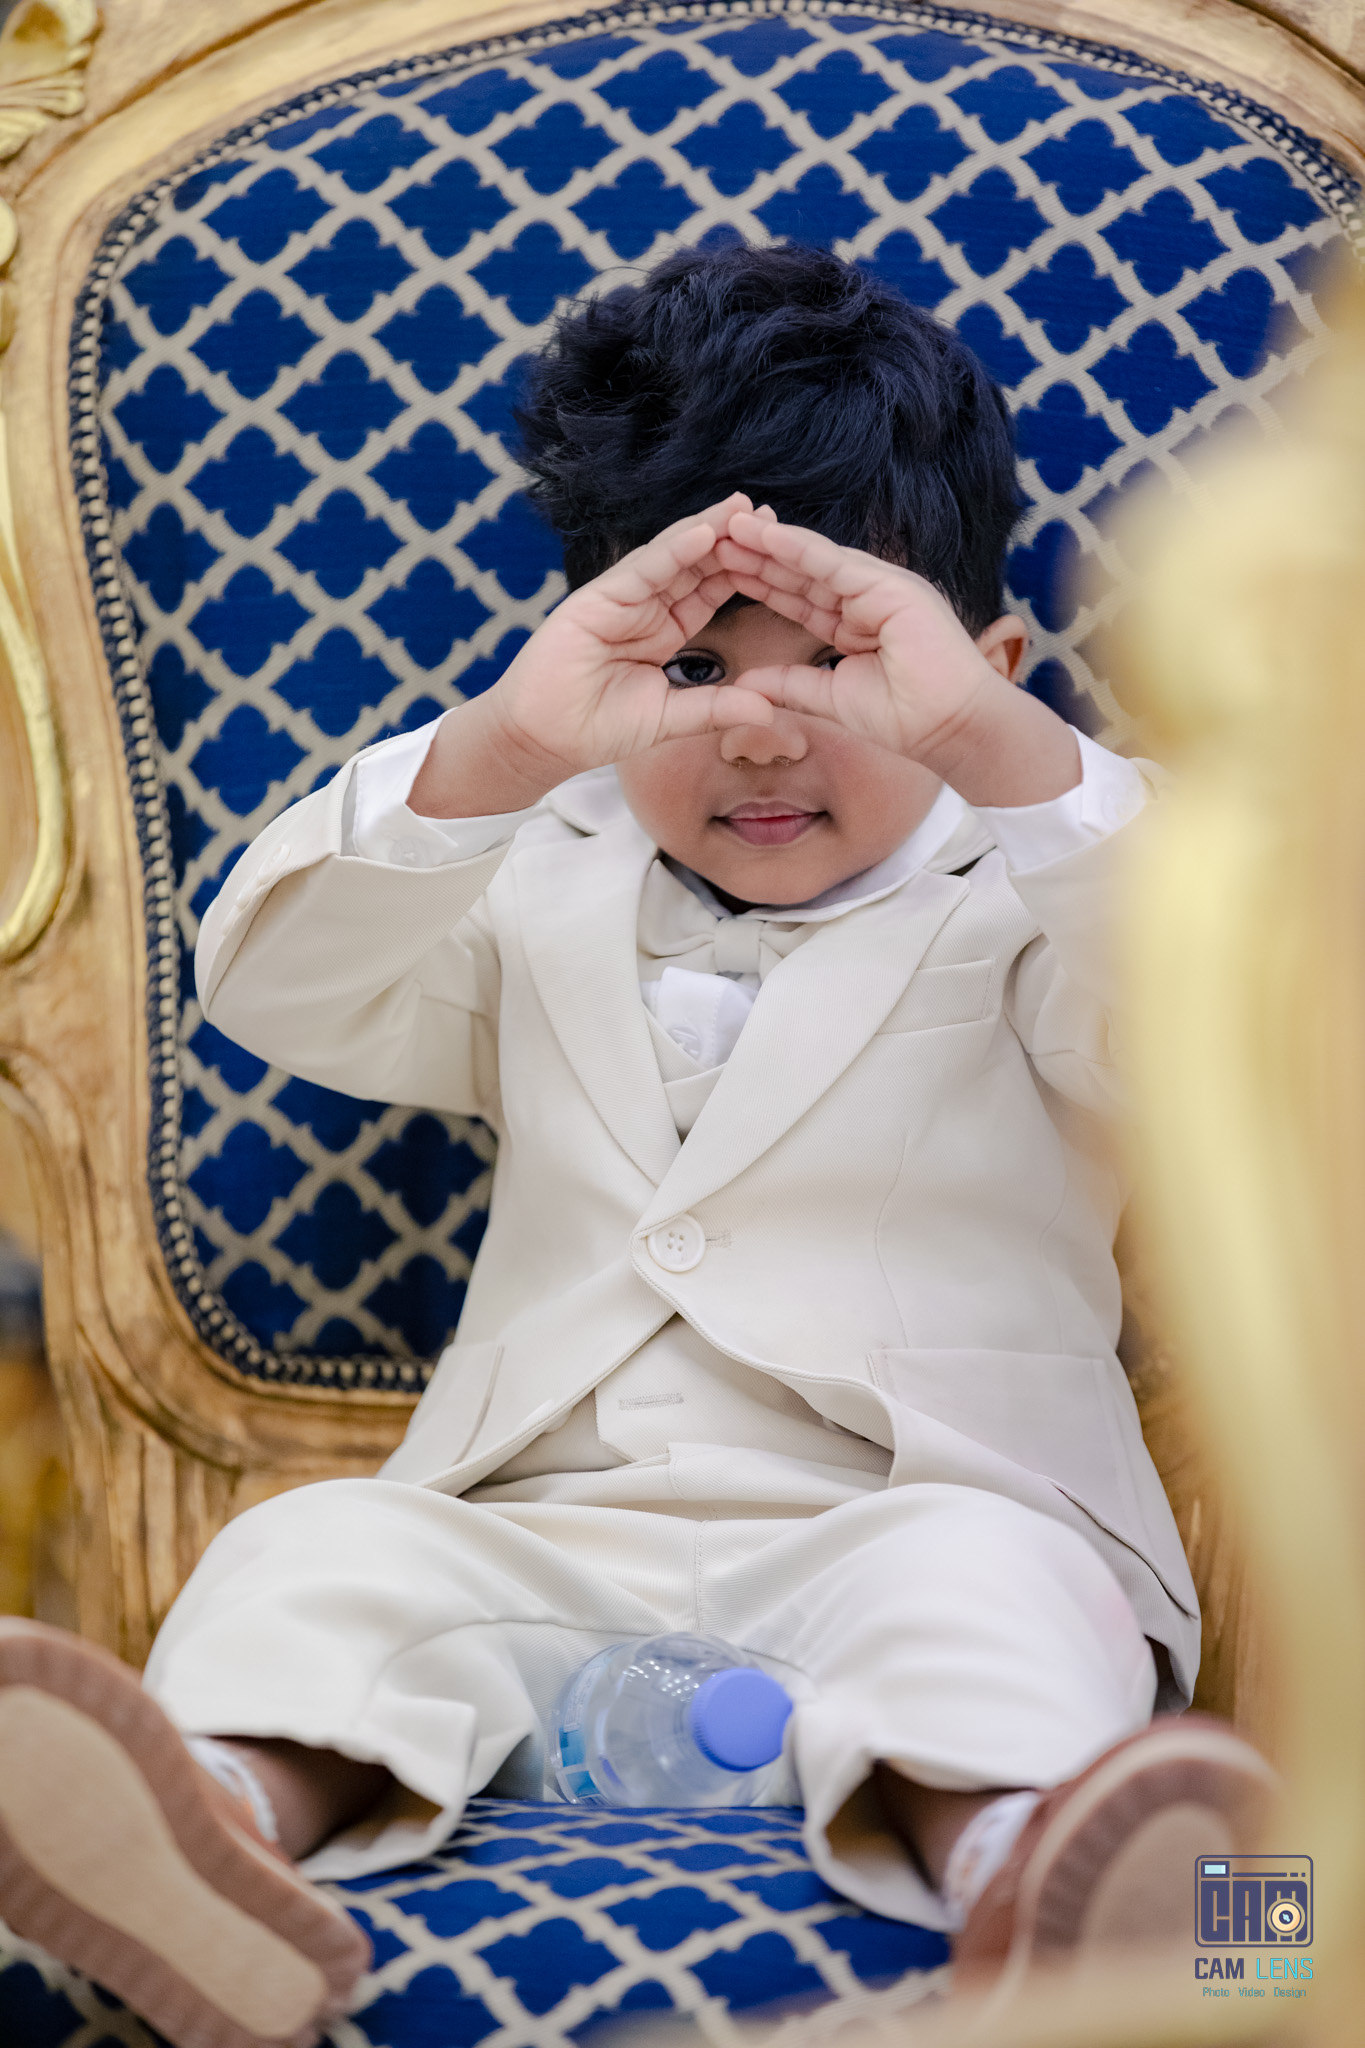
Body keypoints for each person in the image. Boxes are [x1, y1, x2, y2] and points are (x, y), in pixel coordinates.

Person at [0, 244, 1272, 2047]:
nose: (756, 727)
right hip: (533, 1534)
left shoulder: (1042, 883)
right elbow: (276, 985)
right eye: (689, 663)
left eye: (838, 660)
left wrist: (995, 751)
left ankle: (1041, 1871)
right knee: (318, 1565)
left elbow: (1233, 1035)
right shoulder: (537, 866)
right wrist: (506, 748)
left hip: (922, 1509)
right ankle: (212, 1847)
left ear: (979, 664)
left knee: (985, 1609)